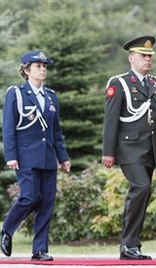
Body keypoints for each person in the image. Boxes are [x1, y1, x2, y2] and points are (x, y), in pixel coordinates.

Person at [102, 36, 156, 260]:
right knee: (141, 187)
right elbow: (111, 120)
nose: (148, 60)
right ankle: (128, 244)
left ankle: (131, 246)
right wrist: (108, 152)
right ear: (131, 58)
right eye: (143, 56)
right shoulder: (119, 83)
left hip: (150, 149)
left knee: (143, 194)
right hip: (128, 148)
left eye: (150, 56)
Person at [1, 50, 71, 261]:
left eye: (44, 66)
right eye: (38, 66)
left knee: (47, 203)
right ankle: (7, 229)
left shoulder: (51, 96)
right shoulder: (17, 93)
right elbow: (9, 127)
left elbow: (55, 131)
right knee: (30, 197)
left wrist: (63, 156)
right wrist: (11, 155)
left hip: (48, 158)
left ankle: (39, 250)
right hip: (26, 157)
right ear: (26, 70)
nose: (43, 69)